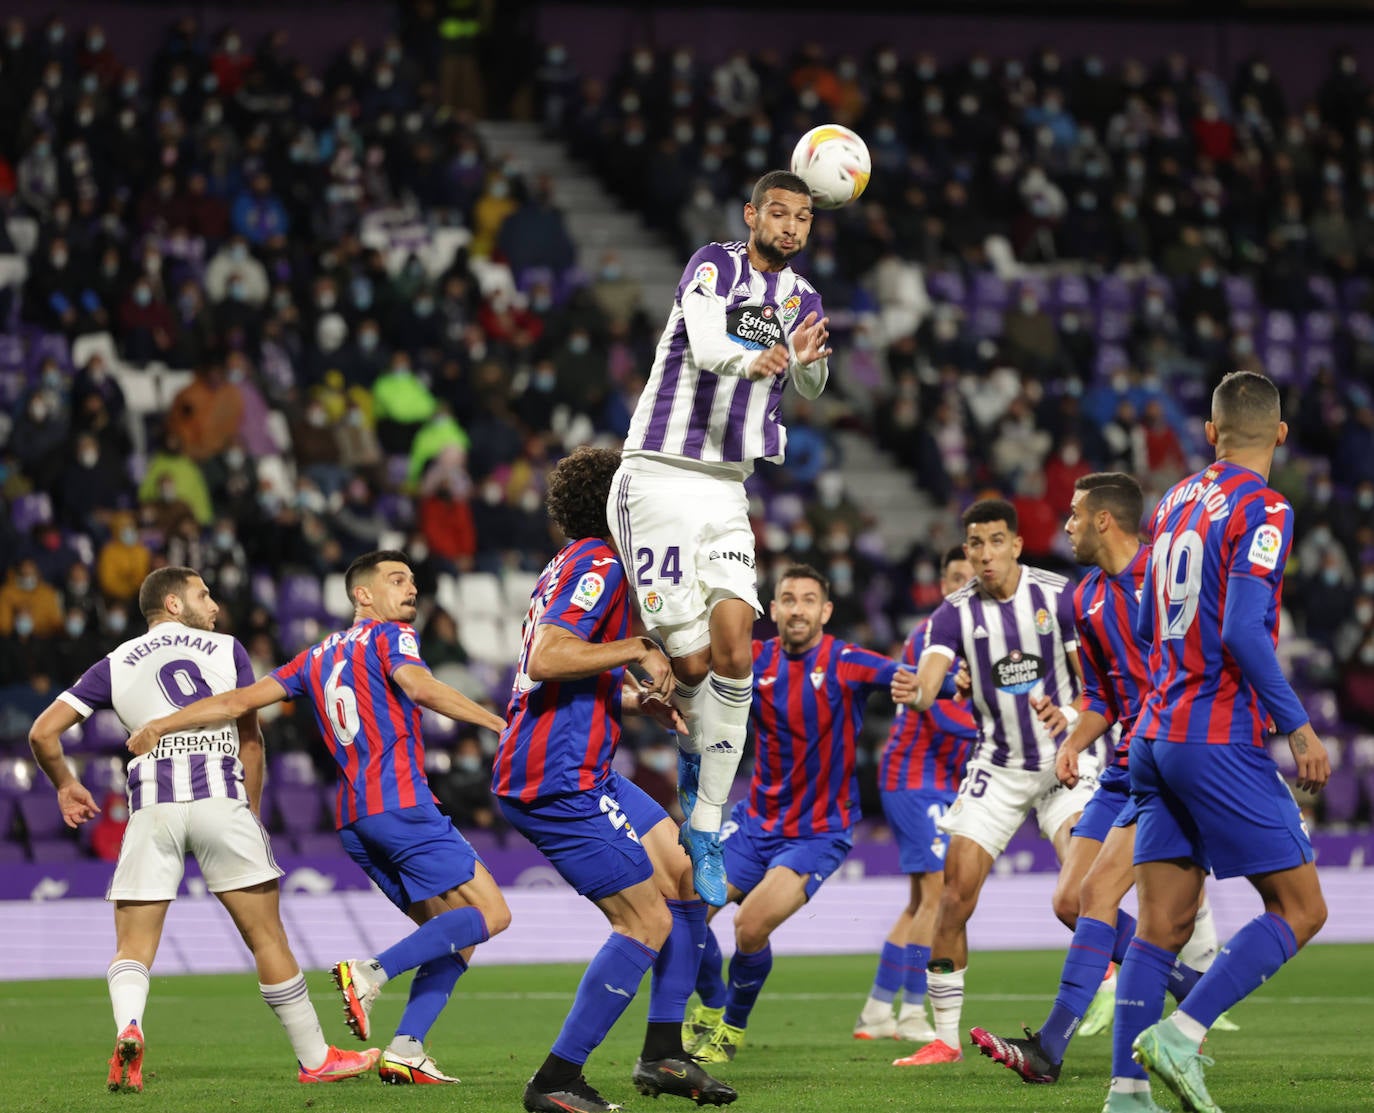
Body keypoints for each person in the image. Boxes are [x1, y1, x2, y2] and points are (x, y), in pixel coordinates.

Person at [127, 551, 511, 1086]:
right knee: (493, 915)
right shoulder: (389, 636)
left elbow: (239, 701)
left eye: (413, 581)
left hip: (356, 820)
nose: (411, 591)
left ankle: (405, 1048)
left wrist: (163, 724)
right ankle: (368, 973)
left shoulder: (314, 657)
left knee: (453, 934)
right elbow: (420, 688)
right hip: (401, 803)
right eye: (397, 580)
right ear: (363, 596)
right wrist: (499, 722)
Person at [28, 567, 379, 1092]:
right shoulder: (226, 650)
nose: (214, 605)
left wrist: (64, 785)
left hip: (152, 809)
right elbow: (251, 741)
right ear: (172, 604)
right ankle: (315, 1058)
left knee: (133, 945)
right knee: (267, 936)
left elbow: (42, 732)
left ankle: (130, 1025)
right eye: (203, 594)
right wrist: (250, 814)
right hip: (221, 801)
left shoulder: (115, 662)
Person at [1102, 372, 1330, 1113]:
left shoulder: (1171, 502)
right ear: (1282, 435)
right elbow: (1239, 627)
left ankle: (1127, 1094)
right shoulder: (1264, 507)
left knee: (1159, 924)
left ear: (1211, 431)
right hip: (1215, 733)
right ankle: (1183, 1031)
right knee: (1301, 909)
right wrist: (1296, 723)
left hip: (1154, 733)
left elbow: (1141, 624)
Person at [607, 169, 833, 907]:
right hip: (660, 474)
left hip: (726, 486)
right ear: (752, 214)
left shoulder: (803, 298)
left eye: (803, 217)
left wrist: (806, 361)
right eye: (779, 212)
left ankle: (705, 822)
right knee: (696, 663)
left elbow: (810, 387)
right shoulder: (715, 264)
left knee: (739, 642)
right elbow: (707, 342)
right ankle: (689, 753)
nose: (792, 226)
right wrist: (755, 356)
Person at [494, 446, 736, 1113]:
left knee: (684, 877)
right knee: (645, 920)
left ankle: (663, 1052)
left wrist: (631, 698)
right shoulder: (600, 562)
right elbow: (547, 657)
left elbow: (566, 665)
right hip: (555, 775)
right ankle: (555, 1081)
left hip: (582, 765)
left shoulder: (572, 565)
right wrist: (638, 649)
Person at [969, 474, 1230, 1087]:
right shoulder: (1084, 598)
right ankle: (1191, 987)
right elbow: (1102, 693)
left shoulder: (1167, 581)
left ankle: (1049, 1049)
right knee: (1069, 900)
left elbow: (1215, 658)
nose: (1066, 526)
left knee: (1096, 897)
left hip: (1167, 762)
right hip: (1120, 770)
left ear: (1105, 521)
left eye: (1074, 516)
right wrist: (1074, 742)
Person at [888, 498, 1101, 1067]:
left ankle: (1133, 974)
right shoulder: (953, 614)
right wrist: (920, 691)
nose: (985, 554)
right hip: (999, 768)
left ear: (1016, 544)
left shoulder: (1059, 596)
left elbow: (1094, 684)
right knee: (953, 898)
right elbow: (931, 678)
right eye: (975, 544)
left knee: (1081, 895)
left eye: (996, 541)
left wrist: (1074, 719)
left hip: (1065, 761)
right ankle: (946, 1039)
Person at [681, 564, 904, 1064]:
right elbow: (695, 671)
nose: (797, 608)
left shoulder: (847, 661)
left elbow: (905, 678)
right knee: (688, 914)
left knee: (750, 927)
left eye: (808, 599)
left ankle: (731, 1027)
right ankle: (714, 1004)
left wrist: (940, 681)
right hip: (756, 821)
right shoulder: (755, 660)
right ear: (774, 609)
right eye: (788, 598)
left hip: (818, 833)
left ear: (824, 611)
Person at [854, 546, 977, 1043]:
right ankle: (911, 1014)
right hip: (912, 777)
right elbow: (939, 712)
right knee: (936, 898)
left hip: (941, 781)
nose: (963, 585)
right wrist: (997, 724)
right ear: (943, 584)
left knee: (918, 904)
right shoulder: (930, 636)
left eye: (970, 577)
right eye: (954, 577)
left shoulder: (979, 639)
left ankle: (877, 1011)